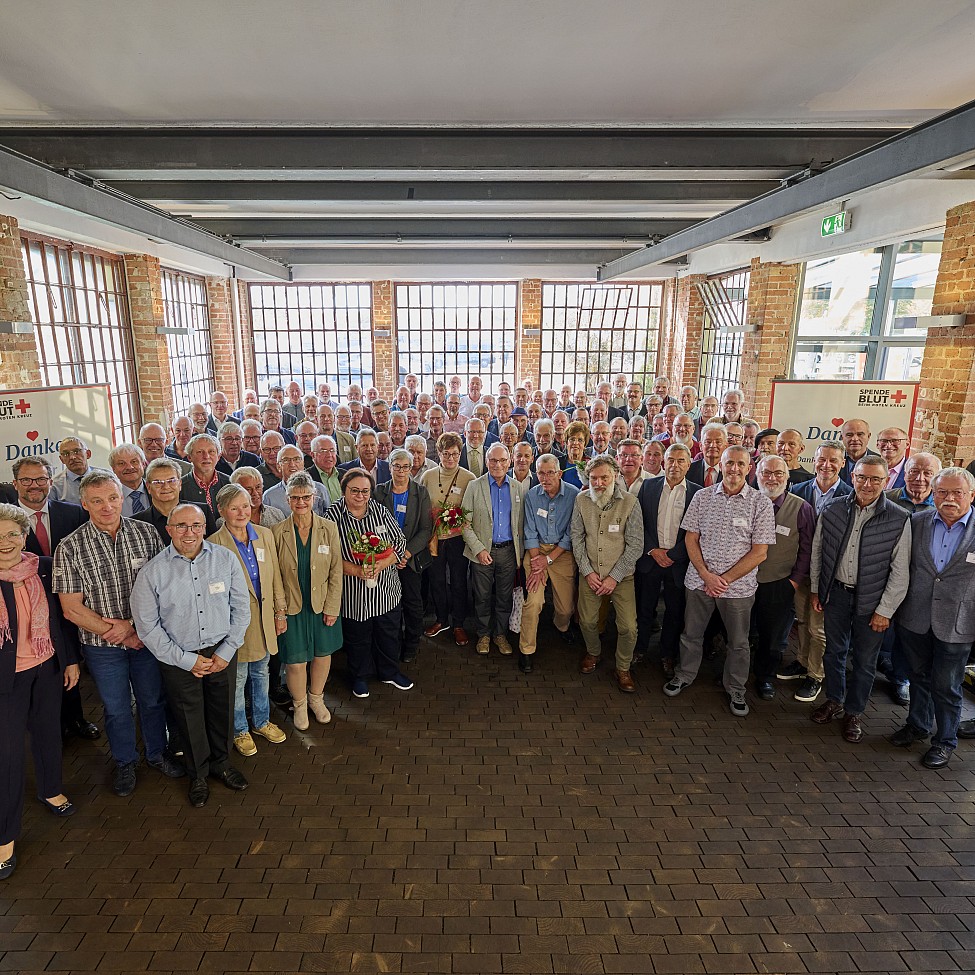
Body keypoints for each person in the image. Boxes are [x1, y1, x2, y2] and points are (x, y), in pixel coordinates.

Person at [53, 472, 182, 796]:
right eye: (97, 501)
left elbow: (164, 589)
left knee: (152, 701)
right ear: (85, 504)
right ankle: (125, 762)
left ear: (121, 497)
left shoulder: (146, 533)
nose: (106, 506)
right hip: (102, 647)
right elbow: (71, 608)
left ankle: (156, 754)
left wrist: (137, 628)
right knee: (116, 707)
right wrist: (122, 631)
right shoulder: (69, 547)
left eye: (112, 498)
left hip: (146, 639)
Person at [131, 503, 250, 808]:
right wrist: (187, 660)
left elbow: (241, 609)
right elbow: (148, 628)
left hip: (222, 652)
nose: (189, 533)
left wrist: (226, 651)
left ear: (204, 528)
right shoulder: (152, 572)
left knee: (222, 711)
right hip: (178, 658)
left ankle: (222, 765)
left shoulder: (225, 559)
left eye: (196, 526)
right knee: (188, 716)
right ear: (168, 529)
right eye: (181, 526)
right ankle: (197, 773)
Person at [664, 446, 776, 717]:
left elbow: (760, 552)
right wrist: (706, 575)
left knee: (738, 642)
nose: (734, 469)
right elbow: (691, 538)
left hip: (737, 589)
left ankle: (736, 687)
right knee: (691, 634)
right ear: (721, 465)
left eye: (740, 464)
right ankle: (685, 674)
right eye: (729, 463)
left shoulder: (761, 503)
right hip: (699, 582)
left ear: (749, 468)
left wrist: (722, 580)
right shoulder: (702, 497)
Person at [0, 503, 80, 881]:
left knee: (49, 733)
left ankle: (50, 789)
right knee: (8, 755)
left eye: (13, 533)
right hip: (5, 681)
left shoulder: (43, 568)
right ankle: (5, 837)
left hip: (46, 667)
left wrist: (70, 660)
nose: (6, 542)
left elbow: (63, 620)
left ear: (25, 535)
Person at [809, 456, 911, 743]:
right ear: (852, 476)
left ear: (885, 481)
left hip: (872, 603)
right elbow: (818, 552)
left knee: (866, 661)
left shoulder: (898, 517)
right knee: (834, 652)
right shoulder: (832, 508)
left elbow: (900, 571)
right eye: (862, 477)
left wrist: (885, 610)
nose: (868, 484)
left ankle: (854, 712)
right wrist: (818, 589)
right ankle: (834, 700)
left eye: (876, 479)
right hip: (836, 595)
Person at [891, 468, 975, 769]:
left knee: (947, 685)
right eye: (942, 492)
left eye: (957, 493)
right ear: (933, 493)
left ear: (971, 496)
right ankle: (918, 725)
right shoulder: (916, 522)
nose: (949, 498)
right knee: (919, 677)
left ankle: (945, 741)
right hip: (915, 616)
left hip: (958, 622)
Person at [11, 458, 95, 742]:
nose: (34, 485)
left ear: (50, 481)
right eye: (26, 480)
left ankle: (77, 719)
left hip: (71, 603)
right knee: (42, 669)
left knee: (70, 661)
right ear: (15, 485)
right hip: (30, 605)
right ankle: (51, 726)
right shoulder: (8, 522)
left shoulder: (72, 513)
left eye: (40, 479)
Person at [210, 485, 288, 758]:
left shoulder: (264, 535)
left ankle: (262, 722)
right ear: (222, 511)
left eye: (245, 506)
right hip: (235, 624)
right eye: (234, 508)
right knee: (239, 677)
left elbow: (276, 576)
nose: (242, 512)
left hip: (265, 619)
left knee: (262, 672)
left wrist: (280, 613)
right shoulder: (214, 544)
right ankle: (240, 730)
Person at [325, 469, 412, 699]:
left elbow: (399, 543)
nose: (360, 496)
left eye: (365, 491)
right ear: (344, 491)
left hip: (385, 591)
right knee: (358, 639)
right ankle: (359, 677)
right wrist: (356, 570)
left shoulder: (380, 511)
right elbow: (327, 557)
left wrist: (381, 564)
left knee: (389, 634)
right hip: (353, 594)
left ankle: (389, 672)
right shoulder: (332, 516)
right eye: (355, 491)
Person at [783, 443, 853, 703]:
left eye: (833, 460)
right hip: (801, 570)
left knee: (818, 628)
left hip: (828, 575)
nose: (826, 465)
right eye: (822, 459)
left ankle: (815, 674)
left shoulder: (850, 495)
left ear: (843, 463)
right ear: (813, 460)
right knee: (801, 620)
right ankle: (802, 662)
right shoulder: (798, 490)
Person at [572, 455, 643, 693]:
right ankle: (594, 653)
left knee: (628, 627)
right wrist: (588, 571)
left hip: (621, 577)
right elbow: (577, 537)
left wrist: (614, 577)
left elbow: (636, 545)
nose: (599, 483)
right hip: (590, 572)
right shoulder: (581, 500)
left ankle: (623, 667)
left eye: (604, 477)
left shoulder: (631, 502)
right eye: (594, 478)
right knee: (587, 621)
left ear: (615, 476)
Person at [634, 443, 701, 677]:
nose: (674, 465)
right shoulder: (648, 487)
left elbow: (696, 532)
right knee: (644, 608)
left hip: (678, 563)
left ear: (689, 464)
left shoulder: (697, 493)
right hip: (650, 560)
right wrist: (653, 550)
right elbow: (639, 523)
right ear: (664, 461)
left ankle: (667, 654)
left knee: (674, 612)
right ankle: (639, 648)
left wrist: (672, 555)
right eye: (671, 459)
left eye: (681, 460)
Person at [751, 455, 814, 701]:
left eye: (778, 473)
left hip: (779, 582)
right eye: (766, 473)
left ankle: (765, 677)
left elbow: (807, 549)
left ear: (787, 478)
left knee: (772, 636)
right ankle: (733, 672)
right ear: (756, 475)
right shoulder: (745, 502)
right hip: (741, 580)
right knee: (739, 631)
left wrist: (794, 581)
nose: (772, 478)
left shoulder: (801, 508)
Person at [461, 444, 528, 657]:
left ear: (509, 462)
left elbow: (522, 524)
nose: (497, 465)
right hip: (482, 552)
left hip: (509, 552)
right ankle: (483, 635)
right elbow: (465, 523)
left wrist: (521, 555)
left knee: (504, 597)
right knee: (481, 596)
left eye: (502, 461)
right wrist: (479, 549)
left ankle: (500, 635)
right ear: (486, 461)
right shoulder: (474, 486)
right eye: (493, 460)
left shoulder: (518, 488)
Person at [520, 453, 579, 672]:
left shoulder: (574, 496)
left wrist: (549, 559)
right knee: (533, 602)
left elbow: (571, 534)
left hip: (561, 554)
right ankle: (526, 650)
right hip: (536, 552)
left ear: (559, 473)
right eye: (541, 473)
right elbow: (530, 531)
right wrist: (537, 563)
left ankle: (560, 626)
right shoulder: (532, 496)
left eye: (550, 473)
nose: (545, 478)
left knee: (565, 609)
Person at [374, 450, 433, 665]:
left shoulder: (420, 492)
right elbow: (372, 525)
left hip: (410, 558)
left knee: (412, 602)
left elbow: (426, 529)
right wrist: (390, 554)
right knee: (388, 604)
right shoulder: (379, 492)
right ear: (389, 467)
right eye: (396, 466)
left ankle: (412, 643)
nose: (401, 471)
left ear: (411, 468)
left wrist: (406, 553)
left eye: (405, 466)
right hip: (385, 556)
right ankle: (392, 643)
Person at [421, 433, 476, 647]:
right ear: (439, 453)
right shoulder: (428, 475)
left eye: (454, 454)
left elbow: (471, 509)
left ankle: (459, 623)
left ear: (460, 453)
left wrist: (457, 517)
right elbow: (423, 505)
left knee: (459, 580)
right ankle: (441, 619)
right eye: (446, 454)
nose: (450, 458)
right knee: (436, 579)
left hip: (457, 538)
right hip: (435, 537)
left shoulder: (468, 478)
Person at [180, 434, 230, 534]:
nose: (206, 456)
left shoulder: (230, 483)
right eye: (199, 452)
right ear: (189, 457)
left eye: (211, 452)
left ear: (219, 456)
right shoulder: (179, 486)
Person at [264, 446, 331, 516]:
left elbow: (328, 519)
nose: (292, 464)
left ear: (303, 463)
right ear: (278, 466)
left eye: (296, 459)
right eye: (286, 460)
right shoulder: (269, 497)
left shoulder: (320, 489)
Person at [134, 457, 186, 543]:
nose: (165, 487)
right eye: (158, 482)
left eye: (171, 480)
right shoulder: (137, 523)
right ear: (148, 487)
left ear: (180, 484)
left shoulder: (202, 511)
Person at [50, 436, 100, 503]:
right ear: (61, 460)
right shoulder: (55, 486)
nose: (72, 457)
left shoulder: (106, 477)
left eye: (77, 451)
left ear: (88, 454)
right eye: (66, 454)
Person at [109, 443, 150, 517]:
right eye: (121, 463)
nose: (129, 467)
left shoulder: (156, 489)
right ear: (113, 469)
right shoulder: (109, 496)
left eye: (134, 462)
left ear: (144, 464)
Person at [838, 418, 878, 484]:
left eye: (860, 434)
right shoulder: (832, 461)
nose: (855, 439)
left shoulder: (880, 461)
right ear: (842, 437)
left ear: (868, 436)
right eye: (849, 435)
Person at [689, 423, 727, 487]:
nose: (712, 446)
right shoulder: (689, 469)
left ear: (725, 446)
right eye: (708, 442)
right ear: (700, 446)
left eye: (718, 442)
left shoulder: (730, 471)